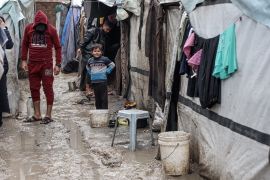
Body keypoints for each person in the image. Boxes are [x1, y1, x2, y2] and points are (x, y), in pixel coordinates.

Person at [21, 10, 61, 124]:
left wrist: (58, 64)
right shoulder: (28, 28)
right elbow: (24, 44)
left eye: (43, 26)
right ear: (34, 24)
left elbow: (58, 47)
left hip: (46, 65)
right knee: (34, 88)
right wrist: (24, 60)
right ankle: (37, 114)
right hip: (32, 64)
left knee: (48, 87)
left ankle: (48, 115)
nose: (40, 28)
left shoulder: (52, 30)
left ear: (46, 23)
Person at [77, 19, 114, 98]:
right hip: (88, 54)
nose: (108, 31)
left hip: (96, 55)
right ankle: (87, 88)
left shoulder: (104, 34)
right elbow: (84, 40)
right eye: (107, 29)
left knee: (93, 72)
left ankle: (88, 88)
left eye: (109, 30)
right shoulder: (93, 31)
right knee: (87, 71)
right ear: (103, 25)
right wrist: (80, 48)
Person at [86, 44, 115, 109]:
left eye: (98, 51)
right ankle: (98, 111)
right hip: (94, 82)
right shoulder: (90, 60)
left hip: (103, 82)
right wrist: (90, 73)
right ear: (92, 52)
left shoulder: (104, 59)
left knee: (104, 98)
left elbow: (112, 65)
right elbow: (87, 67)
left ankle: (104, 111)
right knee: (97, 98)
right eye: (95, 51)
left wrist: (107, 71)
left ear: (101, 52)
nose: (97, 53)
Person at [0, 16, 13, 127]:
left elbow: (9, 45)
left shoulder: (2, 31)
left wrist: (4, 29)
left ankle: (3, 113)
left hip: (2, 65)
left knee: (2, 90)